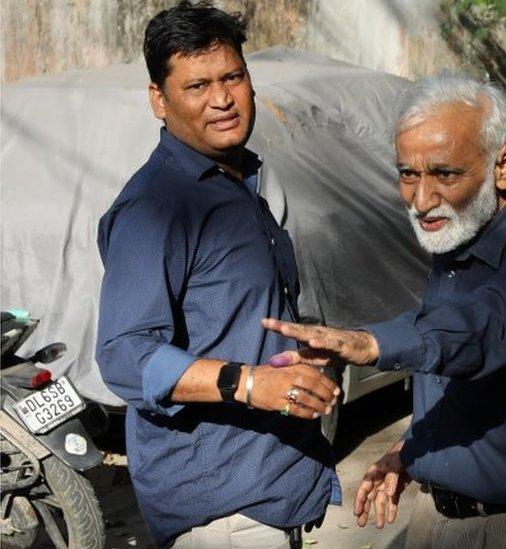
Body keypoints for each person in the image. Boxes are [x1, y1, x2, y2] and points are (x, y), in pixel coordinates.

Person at [263, 75, 506, 548]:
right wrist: (411, 452)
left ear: (502, 164)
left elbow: (487, 327)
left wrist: (371, 344)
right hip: (442, 518)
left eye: (445, 174)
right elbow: (459, 377)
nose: (421, 200)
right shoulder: (460, 229)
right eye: (408, 174)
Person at [95, 2, 341, 547]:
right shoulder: (155, 206)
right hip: (224, 510)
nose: (223, 99)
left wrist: (299, 356)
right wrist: (249, 382)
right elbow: (124, 353)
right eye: (197, 86)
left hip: (273, 487)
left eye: (233, 77)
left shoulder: (239, 182)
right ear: (159, 100)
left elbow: (234, 321)